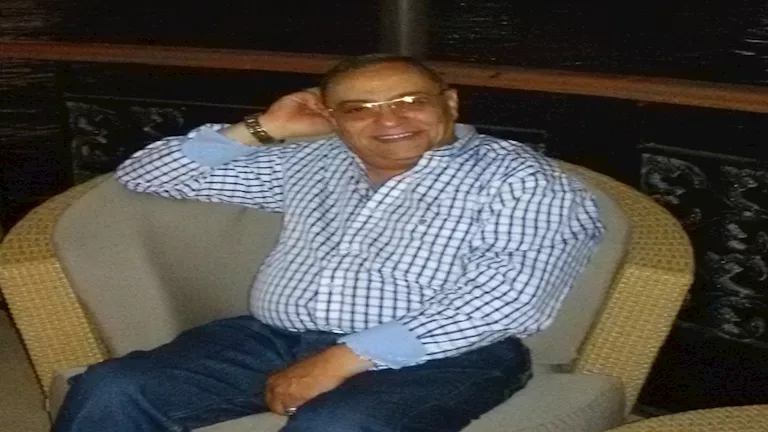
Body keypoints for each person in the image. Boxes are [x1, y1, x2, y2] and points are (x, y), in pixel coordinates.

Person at [54, 54, 604, 432]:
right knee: (114, 389)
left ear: (450, 103)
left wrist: (342, 359)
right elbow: (150, 174)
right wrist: (267, 128)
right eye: (359, 109)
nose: (389, 120)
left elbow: (507, 299)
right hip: (276, 337)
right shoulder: (314, 161)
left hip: (448, 354)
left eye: (410, 100)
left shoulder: (521, 181)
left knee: (338, 426)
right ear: (333, 118)